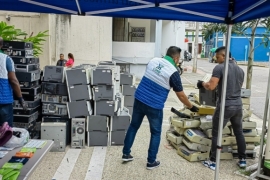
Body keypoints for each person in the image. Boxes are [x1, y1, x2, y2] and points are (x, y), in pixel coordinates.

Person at [122, 46, 199, 170]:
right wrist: (191, 107)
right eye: (178, 60)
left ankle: (126, 154)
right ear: (176, 58)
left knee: (133, 126)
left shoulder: (153, 61)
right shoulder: (173, 72)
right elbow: (181, 95)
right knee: (156, 133)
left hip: (139, 98)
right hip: (154, 105)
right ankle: (151, 162)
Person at [197, 46, 246, 170]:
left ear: (224, 56)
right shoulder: (240, 70)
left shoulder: (220, 67)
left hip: (225, 106)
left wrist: (202, 83)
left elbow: (211, 86)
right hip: (238, 105)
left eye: (217, 56)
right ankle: (243, 160)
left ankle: (212, 161)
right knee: (239, 132)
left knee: (216, 133)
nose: (216, 58)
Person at [0, 37, 27, 127]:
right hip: (3, 101)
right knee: (5, 133)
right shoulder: (6, 59)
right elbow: (13, 80)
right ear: (1, 46)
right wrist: (21, 99)